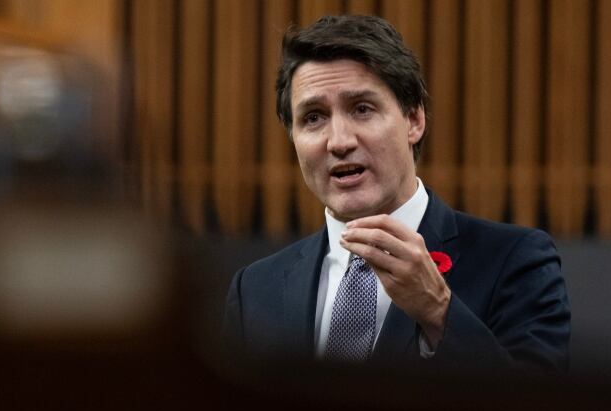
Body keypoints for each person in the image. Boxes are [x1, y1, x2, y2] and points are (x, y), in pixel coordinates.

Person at [223, 15, 570, 372]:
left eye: (362, 109)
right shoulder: (254, 291)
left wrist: (439, 311)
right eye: (313, 118)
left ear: (414, 120)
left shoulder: (515, 261)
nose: (340, 141)